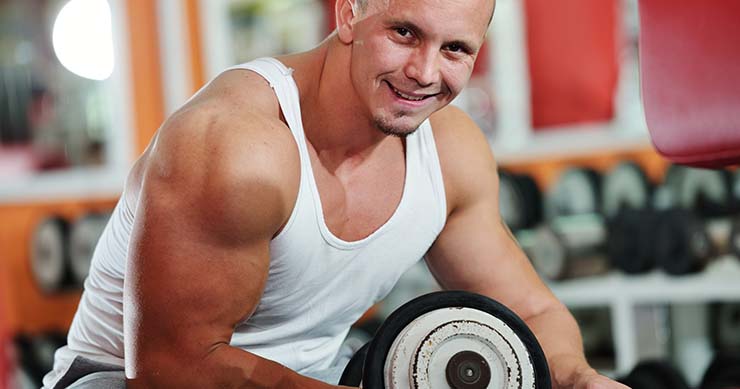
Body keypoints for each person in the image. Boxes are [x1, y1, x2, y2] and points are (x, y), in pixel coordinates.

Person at [43, 0, 629, 388]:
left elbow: (531, 312)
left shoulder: (450, 153)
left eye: (455, 50)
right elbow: (172, 367)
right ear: (349, 12)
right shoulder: (236, 145)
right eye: (405, 33)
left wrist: (578, 377)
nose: (426, 73)